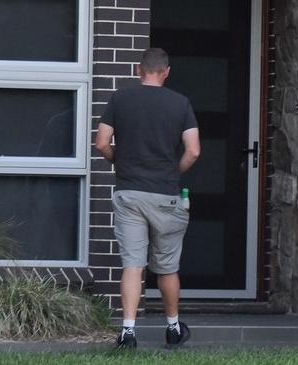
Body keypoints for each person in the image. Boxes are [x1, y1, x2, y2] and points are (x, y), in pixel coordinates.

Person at [95, 48, 201, 349]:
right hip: (165, 194)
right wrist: (172, 172)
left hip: (128, 193)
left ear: (139, 69)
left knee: (133, 264)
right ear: (166, 71)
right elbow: (193, 150)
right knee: (167, 266)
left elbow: (101, 142)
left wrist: (119, 160)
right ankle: (172, 328)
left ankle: (128, 331)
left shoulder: (119, 98)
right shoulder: (180, 103)